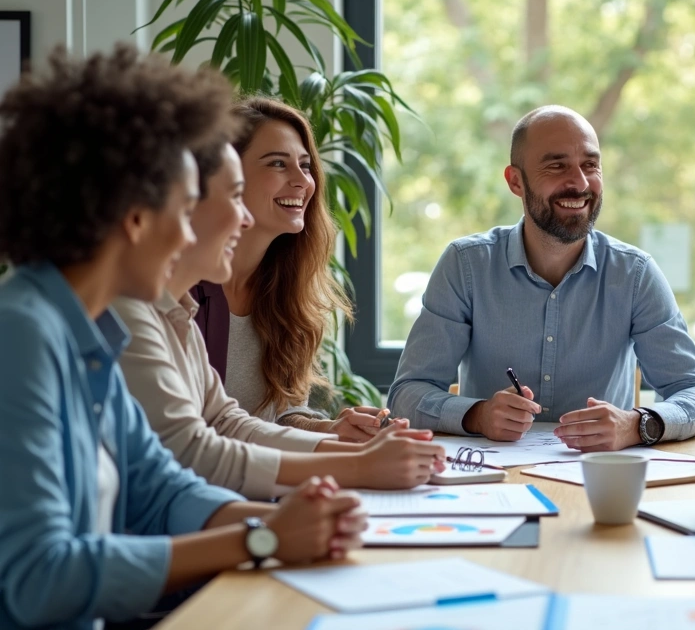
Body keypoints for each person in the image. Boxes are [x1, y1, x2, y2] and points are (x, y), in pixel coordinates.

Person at [0, 44, 367, 630]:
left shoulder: (82, 329)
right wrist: (261, 539)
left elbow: (159, 487)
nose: (199, 224)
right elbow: (40, 578)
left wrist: (294, 520)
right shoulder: (22, 335)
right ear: (135, 215)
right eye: (188, 201)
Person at [113, 139, 446, 500]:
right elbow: (193, 450)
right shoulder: (135, 310)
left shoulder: (181, 311)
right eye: (234, 195)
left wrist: (350, 446)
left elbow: (230, 422)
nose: (242, 218)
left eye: (305, 165)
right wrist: (359, 465)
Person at [388, 105, 695, 450]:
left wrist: (636, 424)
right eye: (557, 166)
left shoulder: (634, 273)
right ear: (516, 181)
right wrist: (478, 415)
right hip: (492, 485)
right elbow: (407, 394)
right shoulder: (465, 265)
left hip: (599, 480)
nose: (580, 182)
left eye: (590, 165)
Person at [191, 98, 384, 443]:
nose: (303, 181)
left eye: (306, 165)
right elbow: (199, 435)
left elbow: (280, 415)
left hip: (266, 483)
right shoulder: (180, 290)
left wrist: (329, 429)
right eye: (278, 164)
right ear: (227, 177)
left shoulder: (287, 290)